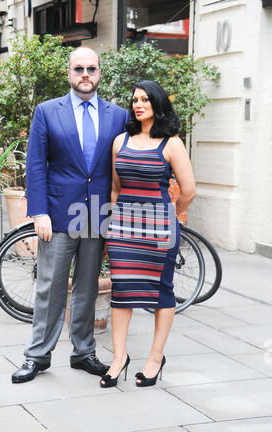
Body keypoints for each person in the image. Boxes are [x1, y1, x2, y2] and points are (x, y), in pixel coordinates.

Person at [12, 47, 129, 384]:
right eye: (79, 69)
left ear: (100, 73)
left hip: (97, 213)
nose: (85, 75)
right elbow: (35, 165)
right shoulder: (48, 112)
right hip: (60, 213)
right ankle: (37, 357)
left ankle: (83, 353)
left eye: (91, 69)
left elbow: (121, 164)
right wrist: (39, 212)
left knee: (87, 287)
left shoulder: (118, 115)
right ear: (69, 73)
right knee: (50, 287)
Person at [100, 80, 196, 388]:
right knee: (121, 292)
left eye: (145, 100)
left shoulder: (171, 143)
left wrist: (175, 215)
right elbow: (115, 189)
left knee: (161, 293)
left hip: (159, 229)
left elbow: (189, 190)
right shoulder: (121, 141)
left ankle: (155, 358)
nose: (138, 105)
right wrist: (111, 227)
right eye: (135, 100)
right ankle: (119, 359)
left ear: (157, 104)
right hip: (122, 228)